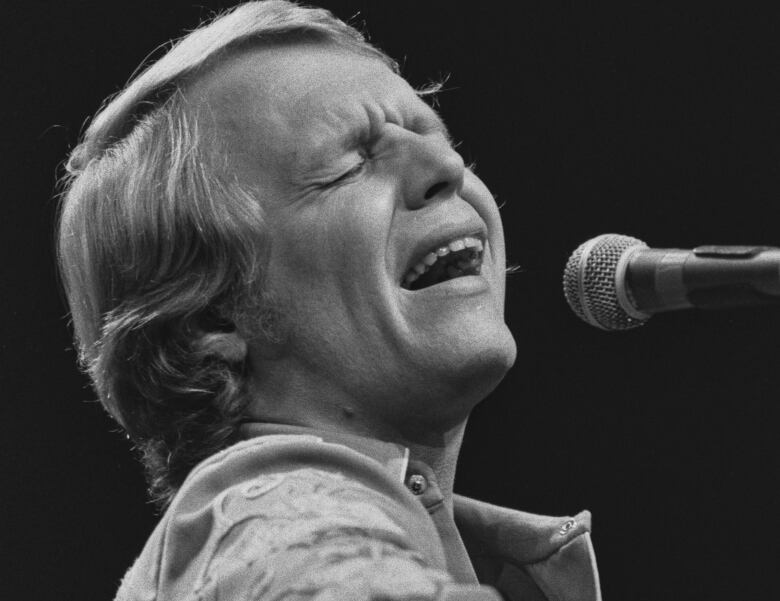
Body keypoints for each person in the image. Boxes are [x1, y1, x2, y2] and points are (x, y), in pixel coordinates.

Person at [57, 1, 601, 599]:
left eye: (437, 138)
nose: (446, 166)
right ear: (212, 312)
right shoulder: (265, 521)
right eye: (349, 165)